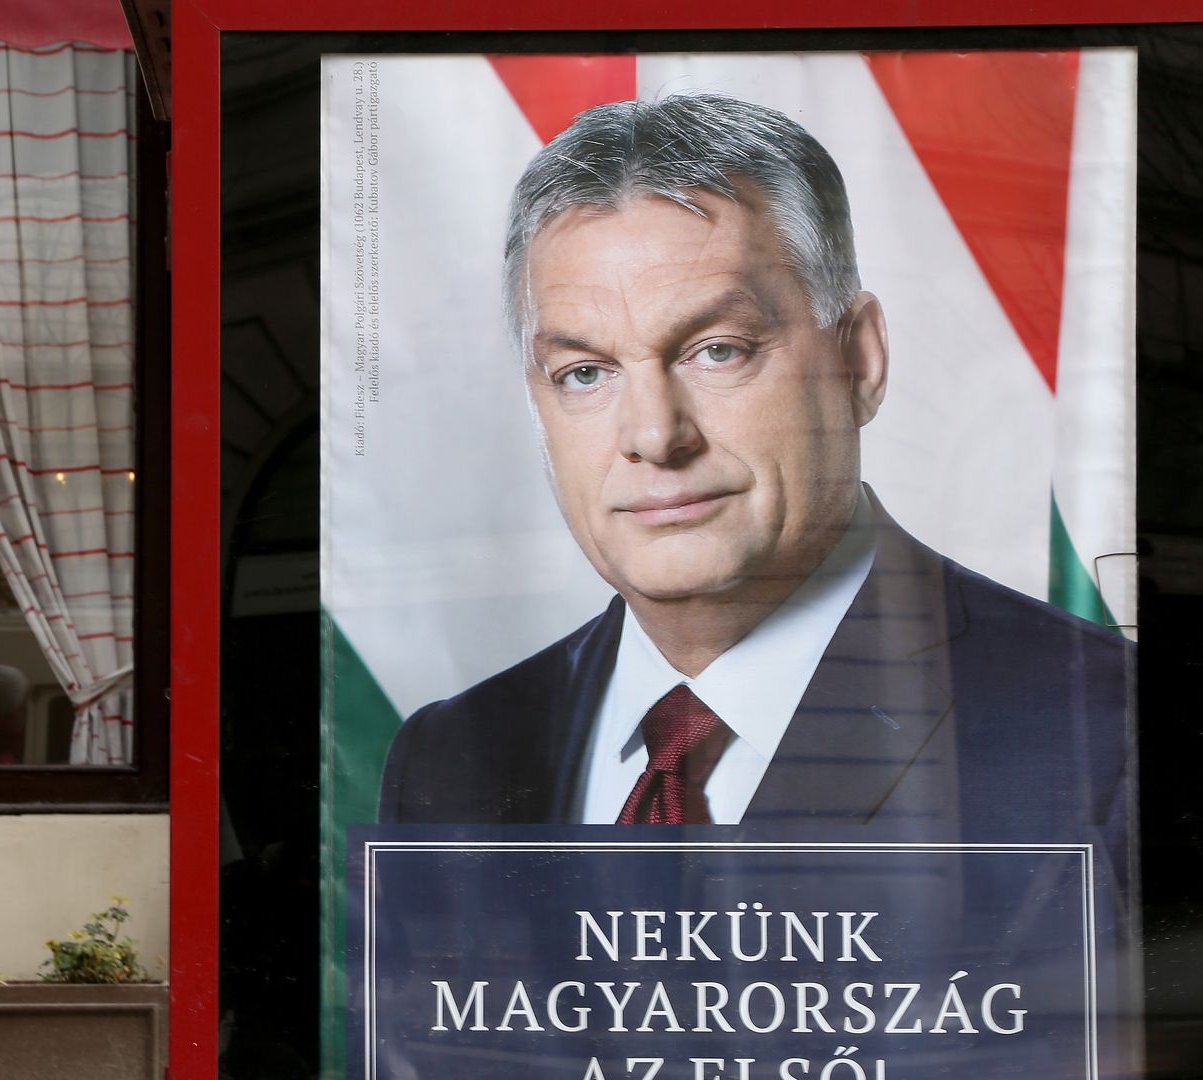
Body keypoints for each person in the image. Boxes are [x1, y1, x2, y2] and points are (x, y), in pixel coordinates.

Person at [378, 94, 1134, 837]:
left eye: (717, 351)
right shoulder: (447, 763)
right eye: (585, 372)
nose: (653, 435)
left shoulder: (1106, 733)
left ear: (860, 362)